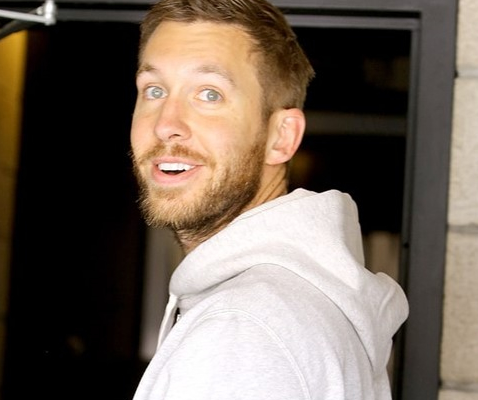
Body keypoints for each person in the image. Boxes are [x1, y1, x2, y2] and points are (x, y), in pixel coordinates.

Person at [130, 0, 409, 399]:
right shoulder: (287, 306)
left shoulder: (241, 333)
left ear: (282, 137)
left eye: (209, 94)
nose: (166, 125)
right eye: (154, 90)